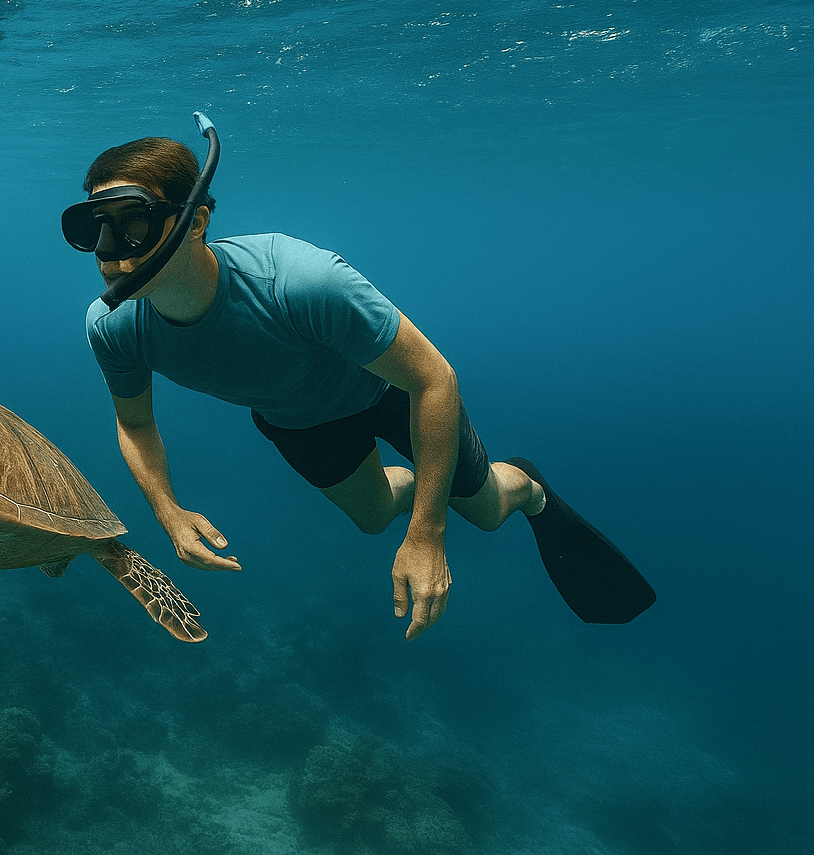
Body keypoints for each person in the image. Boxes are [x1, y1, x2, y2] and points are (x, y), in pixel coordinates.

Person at [61, 133, 654, 638]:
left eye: (133, 222)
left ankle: (524, 485)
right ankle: (435, 483)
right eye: (93, 227)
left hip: (393, 395)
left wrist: (428, 532)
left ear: (196, 221)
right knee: (373, 518)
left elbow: (434, 379)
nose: (108, 253)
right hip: (297, 419)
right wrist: (167, 510)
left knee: (488, 512)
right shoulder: (113, 328)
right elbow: (134, 423)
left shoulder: (298, 282)